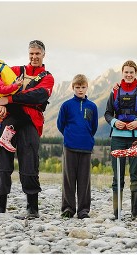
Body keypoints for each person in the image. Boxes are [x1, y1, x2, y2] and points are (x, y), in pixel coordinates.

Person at [0, 40, 55, 220]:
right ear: (28, 54)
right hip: (7, 118)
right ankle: (0, 208)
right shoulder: (15, 71)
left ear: (43, 55)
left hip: (31, 121)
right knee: (2, 163)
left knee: (30, 163)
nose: (34, 57)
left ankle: (32, 208)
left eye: (37, 54)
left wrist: (8, 100)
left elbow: (38, 96)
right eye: (31, 53)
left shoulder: (47, 77)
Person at [104, 60, 137, 219]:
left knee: (135, 175)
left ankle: (134, 213)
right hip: (117, 138)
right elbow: (107, 113)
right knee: (117, 176)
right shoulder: (115, 91)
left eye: (132, 72)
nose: (129, 75)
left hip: (136, 139)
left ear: (136, 73)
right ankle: (117, 213)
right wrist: (114, 122)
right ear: (122, 73)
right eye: (126, 72)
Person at [56, 74, 98, 219]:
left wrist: (86, 137)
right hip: (70, 146)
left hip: (86, 146)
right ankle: (68, 208)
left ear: (87, 88)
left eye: (83, 87)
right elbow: (60, 124)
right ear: (73, 88)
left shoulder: (92, 106)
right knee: (68, 179)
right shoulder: (66, 105)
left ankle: (83, 210)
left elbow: (94, 127)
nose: (80, 90)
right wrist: (69, 135)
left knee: (84, 180)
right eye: (77, 87)